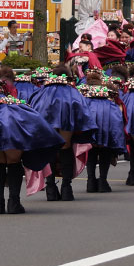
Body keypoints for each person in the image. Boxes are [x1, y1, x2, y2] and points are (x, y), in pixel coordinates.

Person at [28, 65, 97, 201]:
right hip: (67, 121)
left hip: (47, 121)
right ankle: (66, 187)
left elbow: (33, 110)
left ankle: (51, 187)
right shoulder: (72, 92)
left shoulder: (42, 92)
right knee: (66, 147)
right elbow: (82, 111)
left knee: (50, 149)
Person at [79, 71, 127, 193]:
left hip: (90, 122)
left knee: (91, 152)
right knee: (105, 151)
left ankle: (90, 181)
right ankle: (102, 181)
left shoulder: (83, 97)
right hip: (107, 118)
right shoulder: (109, 98)